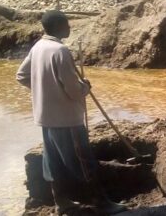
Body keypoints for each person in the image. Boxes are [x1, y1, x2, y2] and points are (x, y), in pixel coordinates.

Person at [16, 11, 127, 215]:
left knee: (53, 162)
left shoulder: (38, 47)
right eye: (67, 24)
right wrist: (85, 87)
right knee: (83, 162)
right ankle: (101, 203)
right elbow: (74, 91)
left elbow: (22, 76)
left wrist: (45, 92)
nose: (69, 28)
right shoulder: (60, 51)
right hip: (67, 120)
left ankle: (61, 202)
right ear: (58, 26)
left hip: (46, 118)